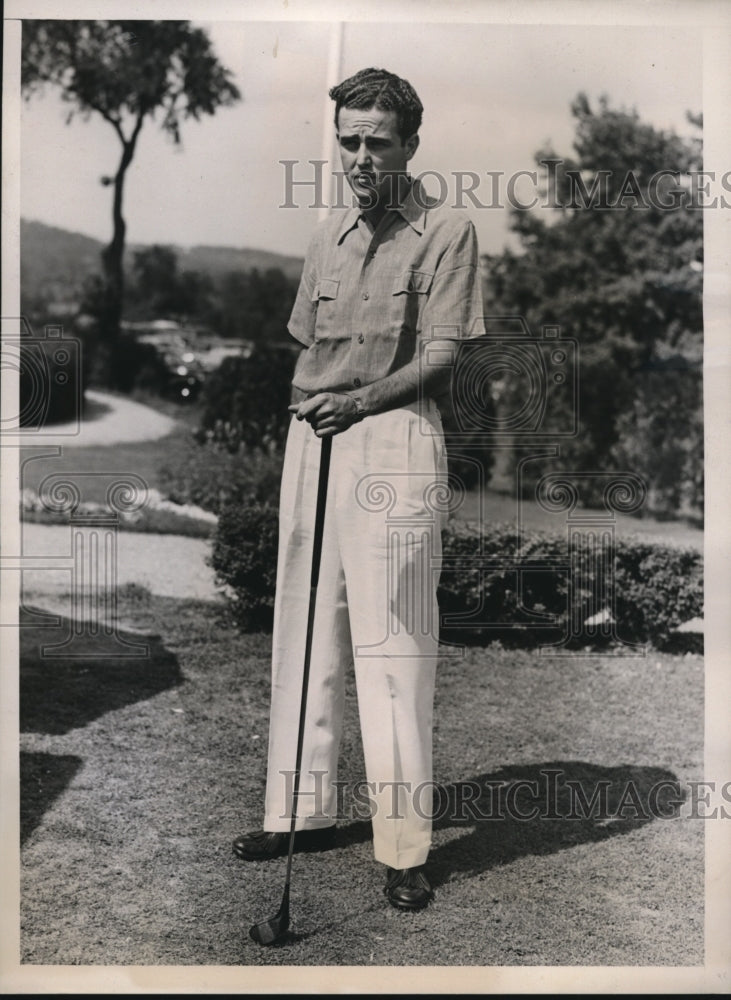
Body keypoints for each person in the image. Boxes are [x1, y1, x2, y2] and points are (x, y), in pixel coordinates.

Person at [233, 67, 484, 911]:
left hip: (396, 437)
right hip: (317, 435)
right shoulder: (325, 231)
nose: (362, 158)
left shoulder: (447, 229)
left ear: (411, 144)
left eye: (379, 142)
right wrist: (320, 406)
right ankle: (299, 812)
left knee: (394, 648)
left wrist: (361, 400)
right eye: (349, 142)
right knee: (304, 629)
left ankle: (404, 847)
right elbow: (306, 340)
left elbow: (443, 357)